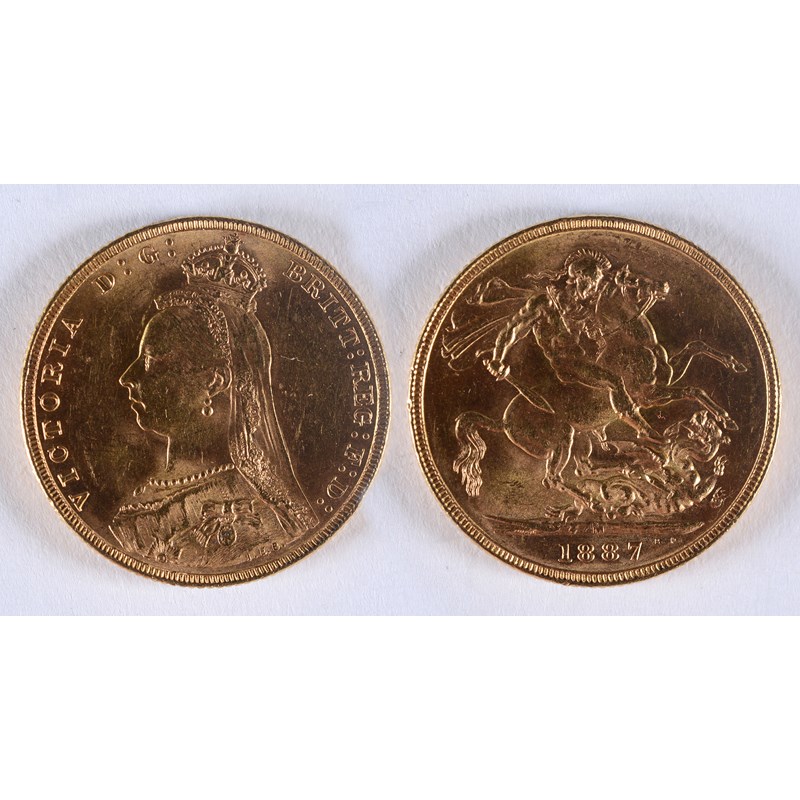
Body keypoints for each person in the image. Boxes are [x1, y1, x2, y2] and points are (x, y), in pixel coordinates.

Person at [110, 234, 317, 569]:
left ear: (214, 381)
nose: (127, 377)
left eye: (150, 361)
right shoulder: (149, 494)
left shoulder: (251, 520)